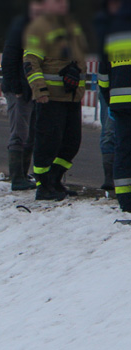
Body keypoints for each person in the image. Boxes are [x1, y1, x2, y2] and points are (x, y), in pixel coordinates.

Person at [23, 0, 87, 201]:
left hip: (72, 97)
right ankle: (43, 185)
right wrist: (39, 90)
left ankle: (54, 179)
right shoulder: (40, 28)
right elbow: (31, 61)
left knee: (71, 143)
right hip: (49, 98)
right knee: (47, 142)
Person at [1, 1, 42, 191]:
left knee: (30, 133)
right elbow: (9, 59)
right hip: (19, 90)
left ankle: (23, 175)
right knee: (19, 133)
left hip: (30, 89)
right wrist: (16, 87)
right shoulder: (20, 27)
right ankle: (17, 178)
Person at [100, 0, 131, 212]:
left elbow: (103, 77)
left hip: (120, 104)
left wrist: (109, 100)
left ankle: (125, 200)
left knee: (123, 150)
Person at [95, 0, 120, 190]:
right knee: (110, 132)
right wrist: (106, 93)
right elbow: (104, 67)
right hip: (111, 90)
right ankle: (109, 178)